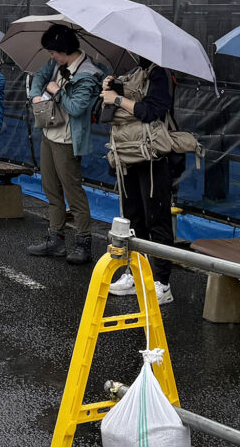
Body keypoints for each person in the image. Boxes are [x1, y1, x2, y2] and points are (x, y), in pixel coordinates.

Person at [101, 56, 176, 305]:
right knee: (132, 217)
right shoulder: (133, 72)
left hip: (153, 155)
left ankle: (162, 282)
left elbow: (151, 111)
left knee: (157, 218)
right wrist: (110, 88)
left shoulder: (160, 74)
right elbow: (104, 112)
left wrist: (118, 99)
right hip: (127, 152)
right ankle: (136, 274)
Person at [26, 25, 104, 264]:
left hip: (67, 141)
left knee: (73, 191)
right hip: (49, 133)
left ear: (63, 50)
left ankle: (83, 242)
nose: (51, 57)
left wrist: (57, 91)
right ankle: (55, 238)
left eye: (53, 52)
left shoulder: (88, 75)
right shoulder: (56, 64)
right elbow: (40, 76)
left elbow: (76, 108)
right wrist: (36, 94)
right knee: (50, 188)